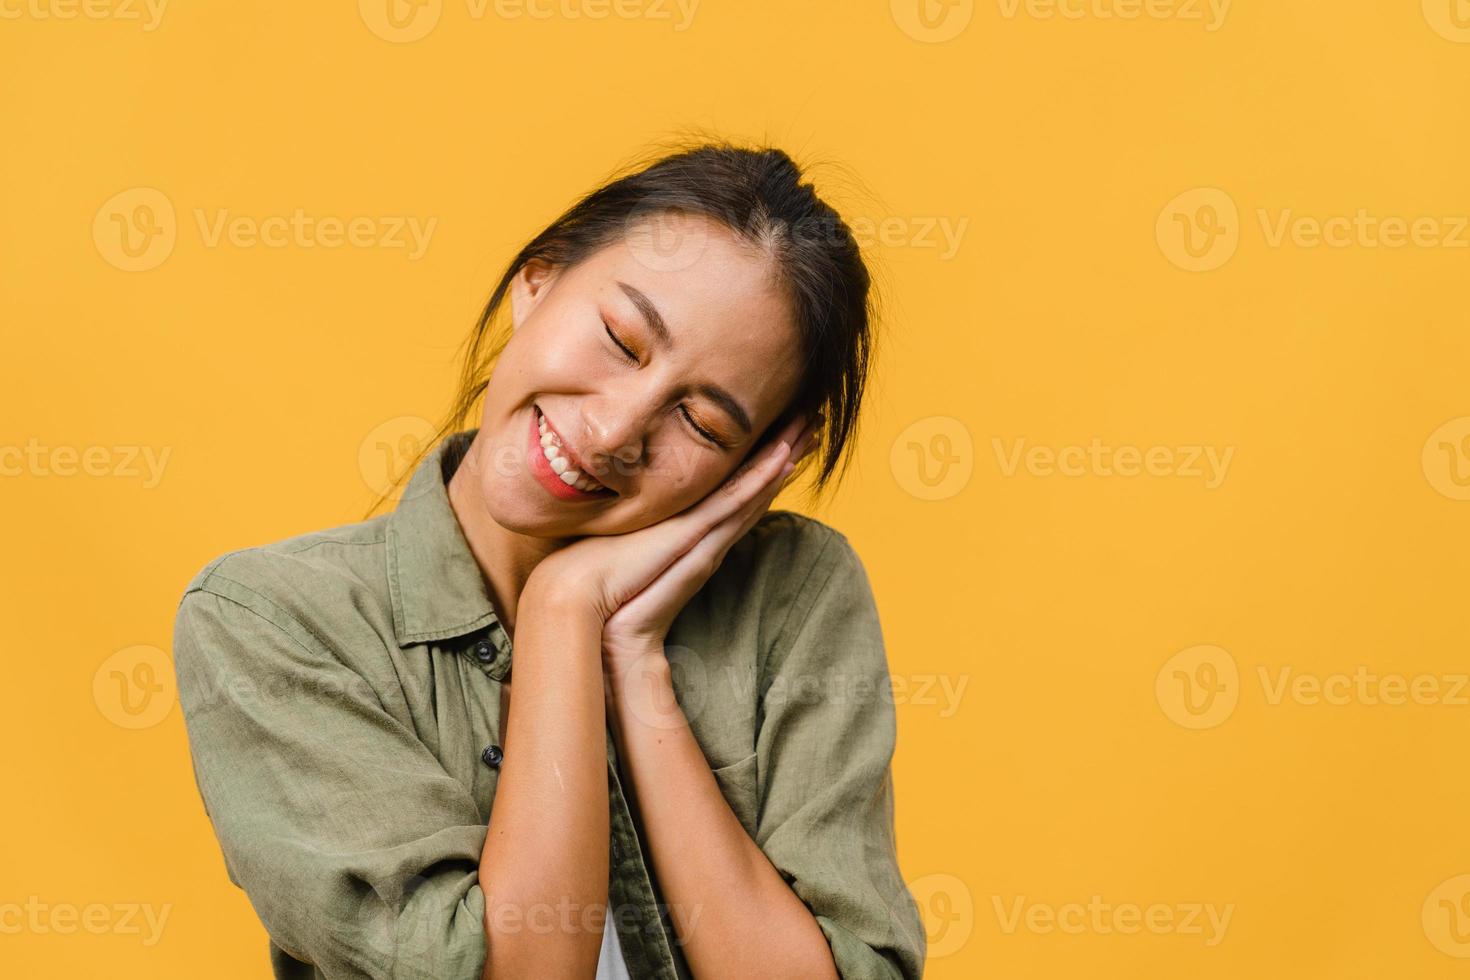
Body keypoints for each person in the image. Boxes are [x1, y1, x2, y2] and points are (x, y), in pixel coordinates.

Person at [172, 140, 927, 979]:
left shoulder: (793, 594)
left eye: (704, 424)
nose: (612, 432)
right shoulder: (275, 622)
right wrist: (565, 613)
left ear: (756, 466)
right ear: (537, 281)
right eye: (621, 339)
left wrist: (630, 656)